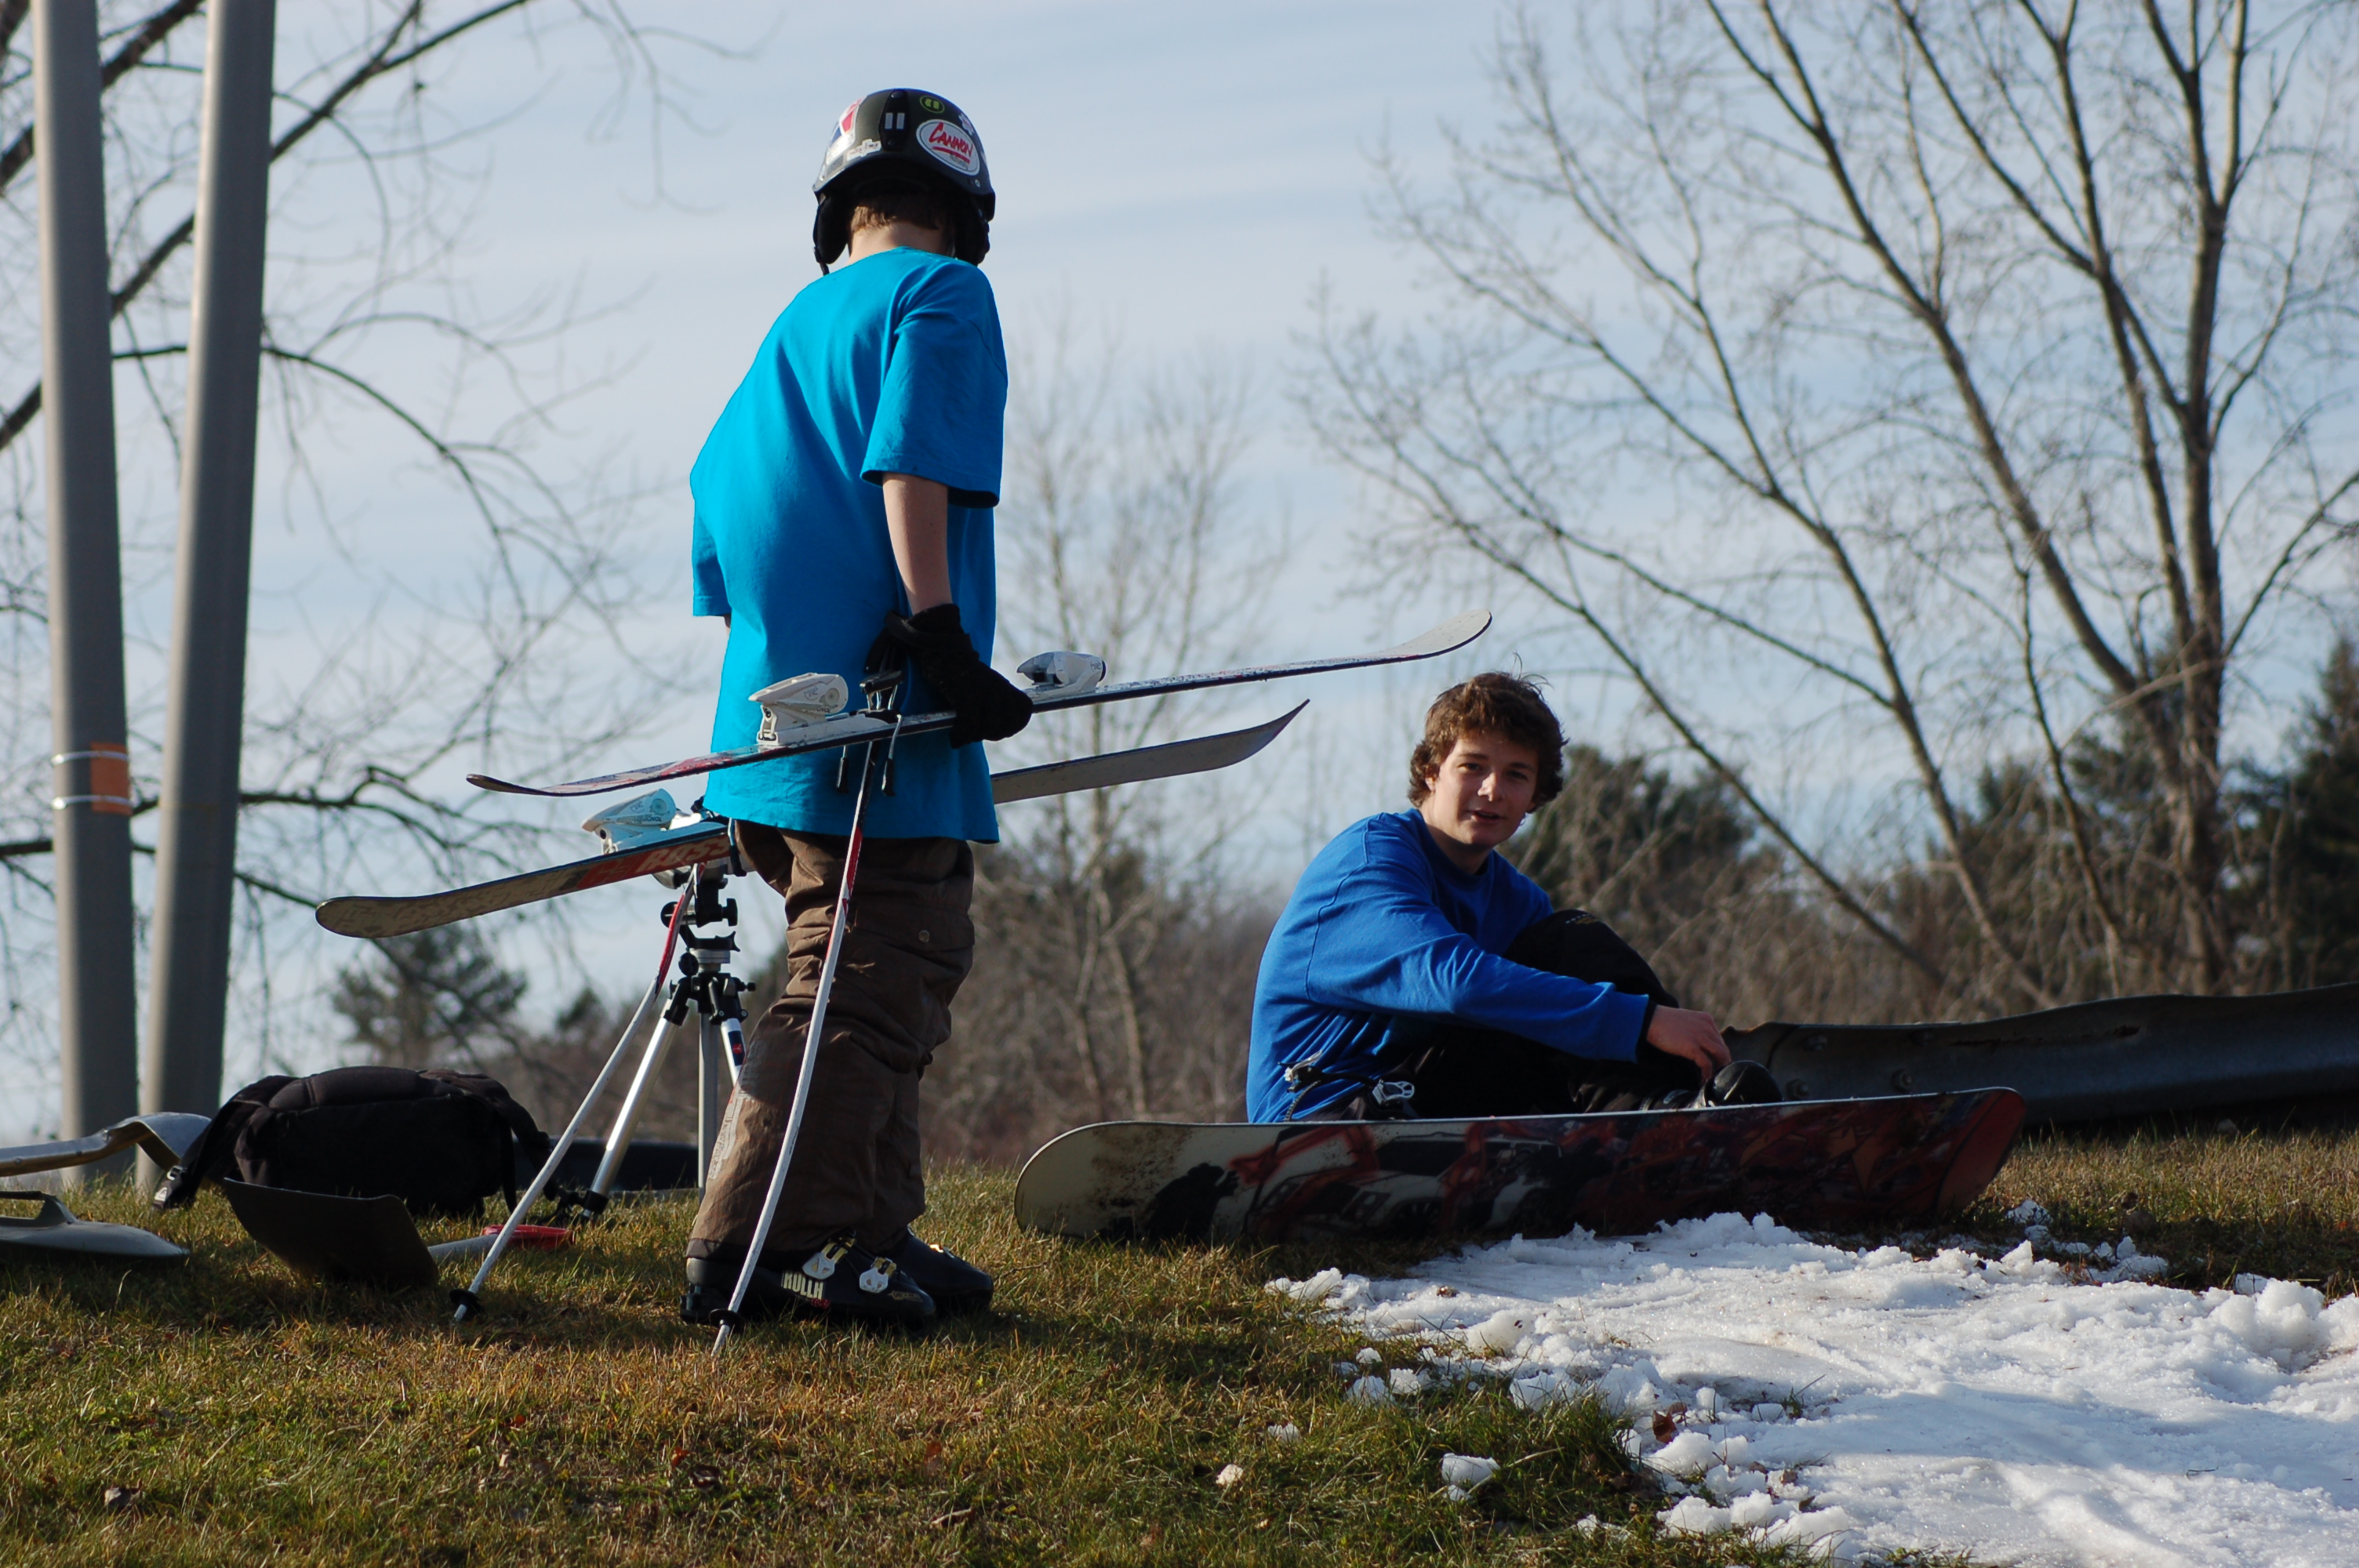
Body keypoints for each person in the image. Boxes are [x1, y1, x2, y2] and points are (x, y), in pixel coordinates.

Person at [678, 89, 1029, 1329]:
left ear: (842, 209)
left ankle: (872, 1225)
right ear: (962, 211)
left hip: (770, 742)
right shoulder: (941, 297)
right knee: (866, 978)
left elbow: (719, 533)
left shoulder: (786, 333)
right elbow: (912, 457)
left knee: (888, 971)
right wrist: (936, 631)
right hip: (882, 731)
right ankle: (772, 1240)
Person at [1247, 672, 1779, 1123]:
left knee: (1569, 949)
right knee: (1564, 954)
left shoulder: (1518, 901)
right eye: (1472, 766)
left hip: (1431, 1100)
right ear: (1432, 771)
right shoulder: (1370, 863)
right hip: (1322, 1115)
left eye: (1516, 775)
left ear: (1534, 799)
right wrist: (1642, 1021)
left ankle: (1674, 1112)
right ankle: (1667, 1114)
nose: (1492, 790)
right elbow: (1454, 982)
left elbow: (1538, 1017)